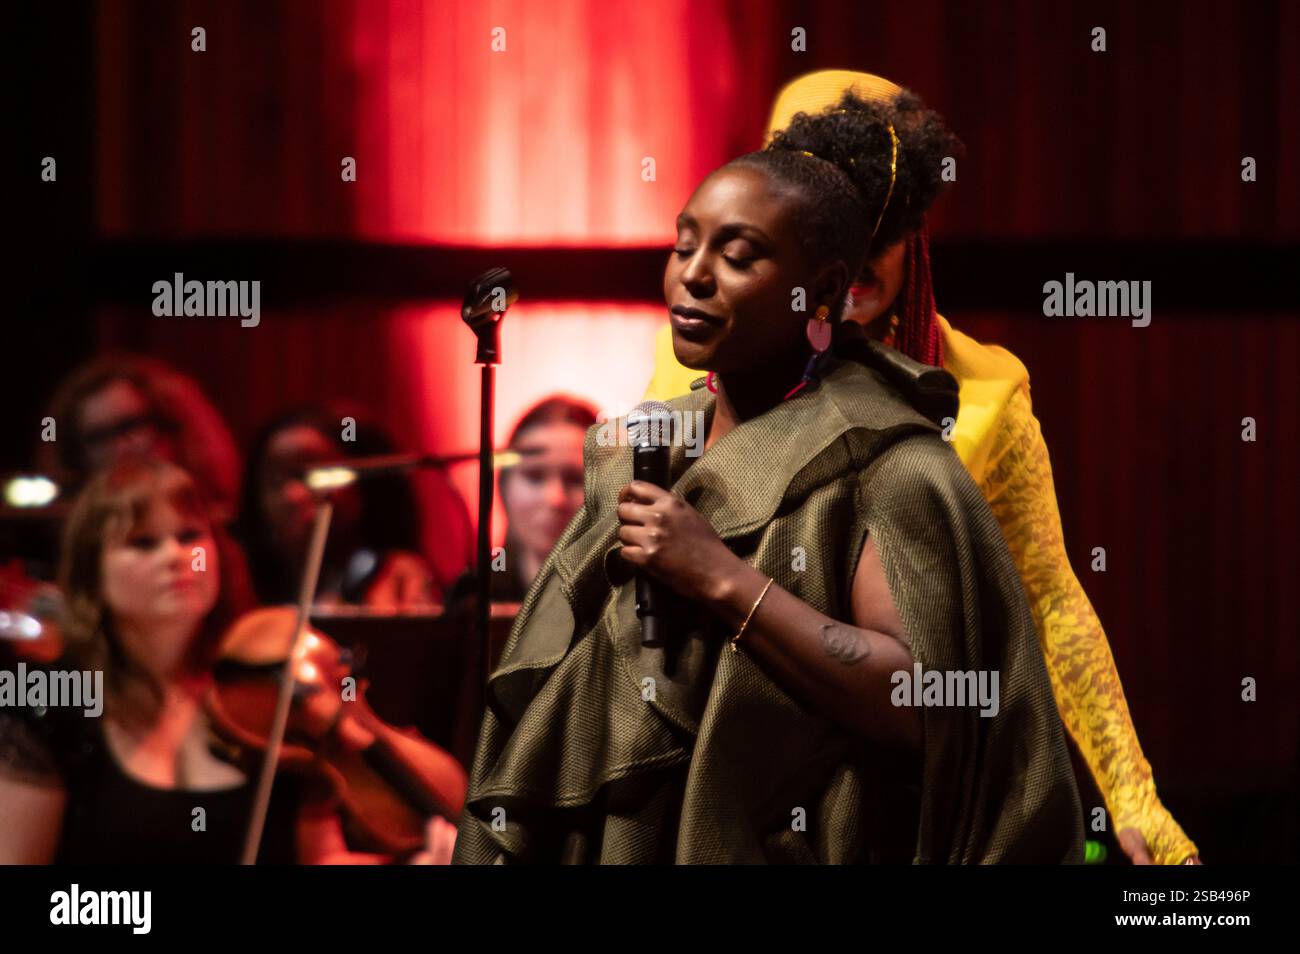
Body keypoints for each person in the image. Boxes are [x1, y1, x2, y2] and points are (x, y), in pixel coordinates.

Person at [452, 92, 1083, 864]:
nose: (695, 277)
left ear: (822, 289)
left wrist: (716, 575)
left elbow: (923, 698)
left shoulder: (892, 464)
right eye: (684, 246)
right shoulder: (639, 451)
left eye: (739, 255)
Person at [645, 71, 1199, 866]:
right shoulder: (689, 379)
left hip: (919, 795)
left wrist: (1136, 801)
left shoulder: (987, 392)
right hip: (732, 774)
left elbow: (1047, 602)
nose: (859, 257)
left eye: (880, 227)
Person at [0, 458, 461, 864]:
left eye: (190, 535)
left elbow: (319, 859)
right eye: (143, 543)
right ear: (92, 572)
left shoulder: (271, 698)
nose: (177, 557)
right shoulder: (52, 709)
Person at [238, 407, 471, 610]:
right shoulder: (239, 577)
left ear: (367, 488)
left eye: (314, 473)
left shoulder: (394, 577)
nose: (292, 494)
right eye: (274, 480)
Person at [38, 354, 243, 526]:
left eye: (130, 426)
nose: (120, 447)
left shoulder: (227, 531)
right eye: (98, 438)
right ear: (77, 456)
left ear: (169, 427)